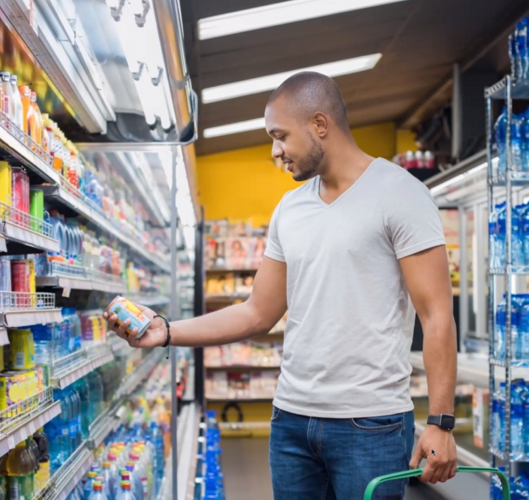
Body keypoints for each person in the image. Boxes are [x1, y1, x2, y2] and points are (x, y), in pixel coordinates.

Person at [105, 71, 458, 499]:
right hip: (290, 421)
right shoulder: (290, 209)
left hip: (370, 424)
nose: (275, 152)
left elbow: (436, 313)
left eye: (280, 136)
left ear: (320, 125)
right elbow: (257, 312)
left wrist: (441, 422)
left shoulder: (399, 194)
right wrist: (167, 331)